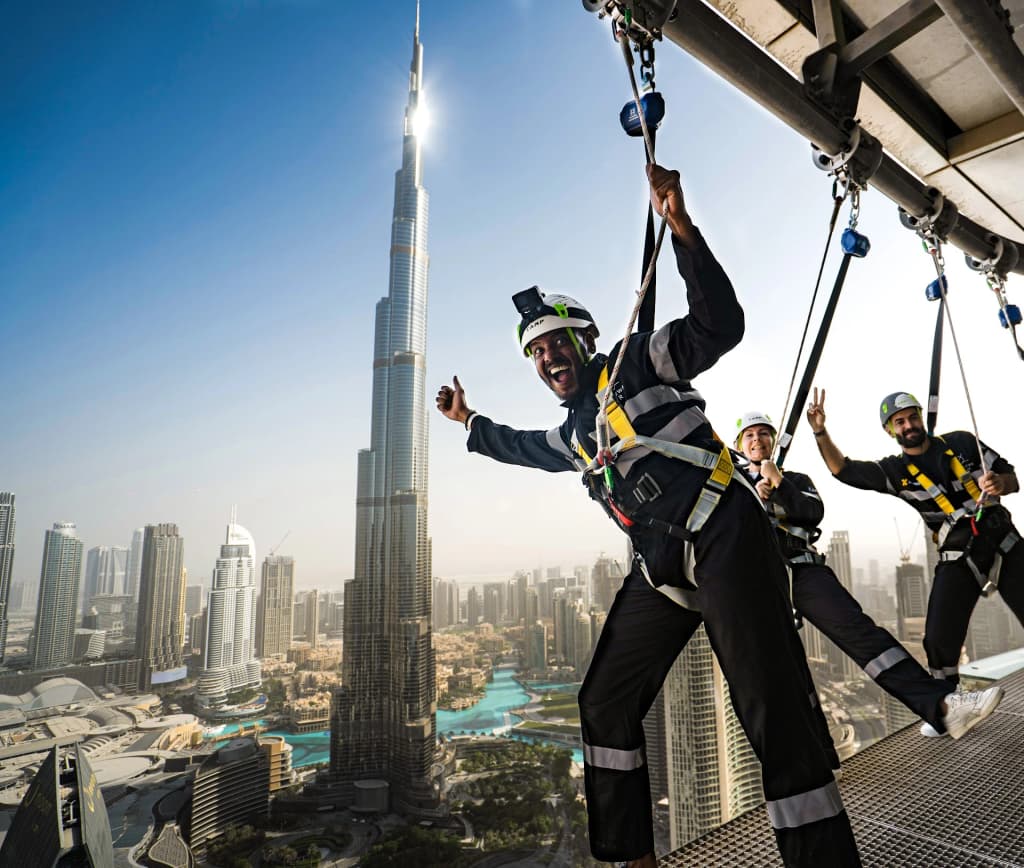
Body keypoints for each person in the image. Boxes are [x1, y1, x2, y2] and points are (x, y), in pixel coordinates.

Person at [436, 165, 861, 868]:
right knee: (603, 702)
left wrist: (683, 231)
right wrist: (467, 422)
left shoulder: (637, 360)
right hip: (661, 568)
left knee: (770, 713)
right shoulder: (574, 436)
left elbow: (718, 326)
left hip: (723, 534)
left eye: (554, 345)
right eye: (535, 354)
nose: (547, 360)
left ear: (582, 340)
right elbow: (517, 446)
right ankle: (633, 859)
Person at [735, 411, 1002, 741]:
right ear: (739, 445)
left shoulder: (797, 480)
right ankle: (815, 753)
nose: (757, 440)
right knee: (773, 666)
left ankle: (943, 706)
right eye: (749, 435)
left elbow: (811, 512)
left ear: (773, 442)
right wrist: (752, 493)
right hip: (754, 579)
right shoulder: (731, 485)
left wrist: (778, 483)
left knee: (863, 636)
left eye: (763, 433)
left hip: (802, 569)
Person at [806, 387, 1018, 732]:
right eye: (899, 422)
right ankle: (952, 709)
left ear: (922, 418)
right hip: (959, 554)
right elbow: (843, 470)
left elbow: (1013, 479)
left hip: (1003, 540)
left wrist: (999, 483)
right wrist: (819, 431)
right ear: (891, 431)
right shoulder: (896, 471)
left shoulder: (963, 444)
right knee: (937, 637)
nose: (908, 425)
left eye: (912, 417)